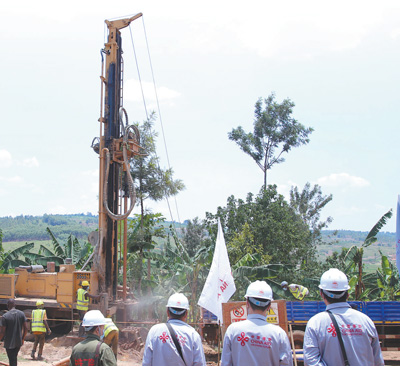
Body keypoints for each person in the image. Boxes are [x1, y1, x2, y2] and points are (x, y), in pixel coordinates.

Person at [303, 268, 384, 366]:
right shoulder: (366, 321)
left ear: (321, 294)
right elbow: (378, 361)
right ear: (347, 294)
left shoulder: (315, 323)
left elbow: (311, 362)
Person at [221, 280, 293, 366]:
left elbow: (226, 363)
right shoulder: (279, 334)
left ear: (247, 303)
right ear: (269, 306)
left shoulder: (233, 330)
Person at [142, 293, 206, 366]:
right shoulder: (193, 335)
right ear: (186, 314)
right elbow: (200, 363)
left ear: (167, 312)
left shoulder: (154, 331)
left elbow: (146, 362)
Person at [0, 299, 28, 366]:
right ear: (15, 305)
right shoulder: (21, 314)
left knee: (11, 359)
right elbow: (26, 328)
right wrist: (23, 338)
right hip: (18, 341)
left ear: (7, 305)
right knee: (14, 358)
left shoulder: (5, 316)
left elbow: (2, 332)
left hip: (9, 342)